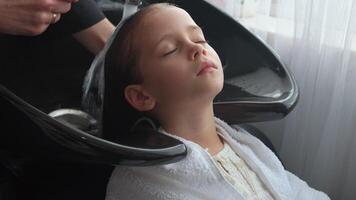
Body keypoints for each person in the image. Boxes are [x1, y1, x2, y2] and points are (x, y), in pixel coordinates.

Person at [103, 3, 329, 200]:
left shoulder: (250, 147)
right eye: (170, 50)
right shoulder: (144, 180)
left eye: (200, 38)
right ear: (142, 96)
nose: (196, 48)